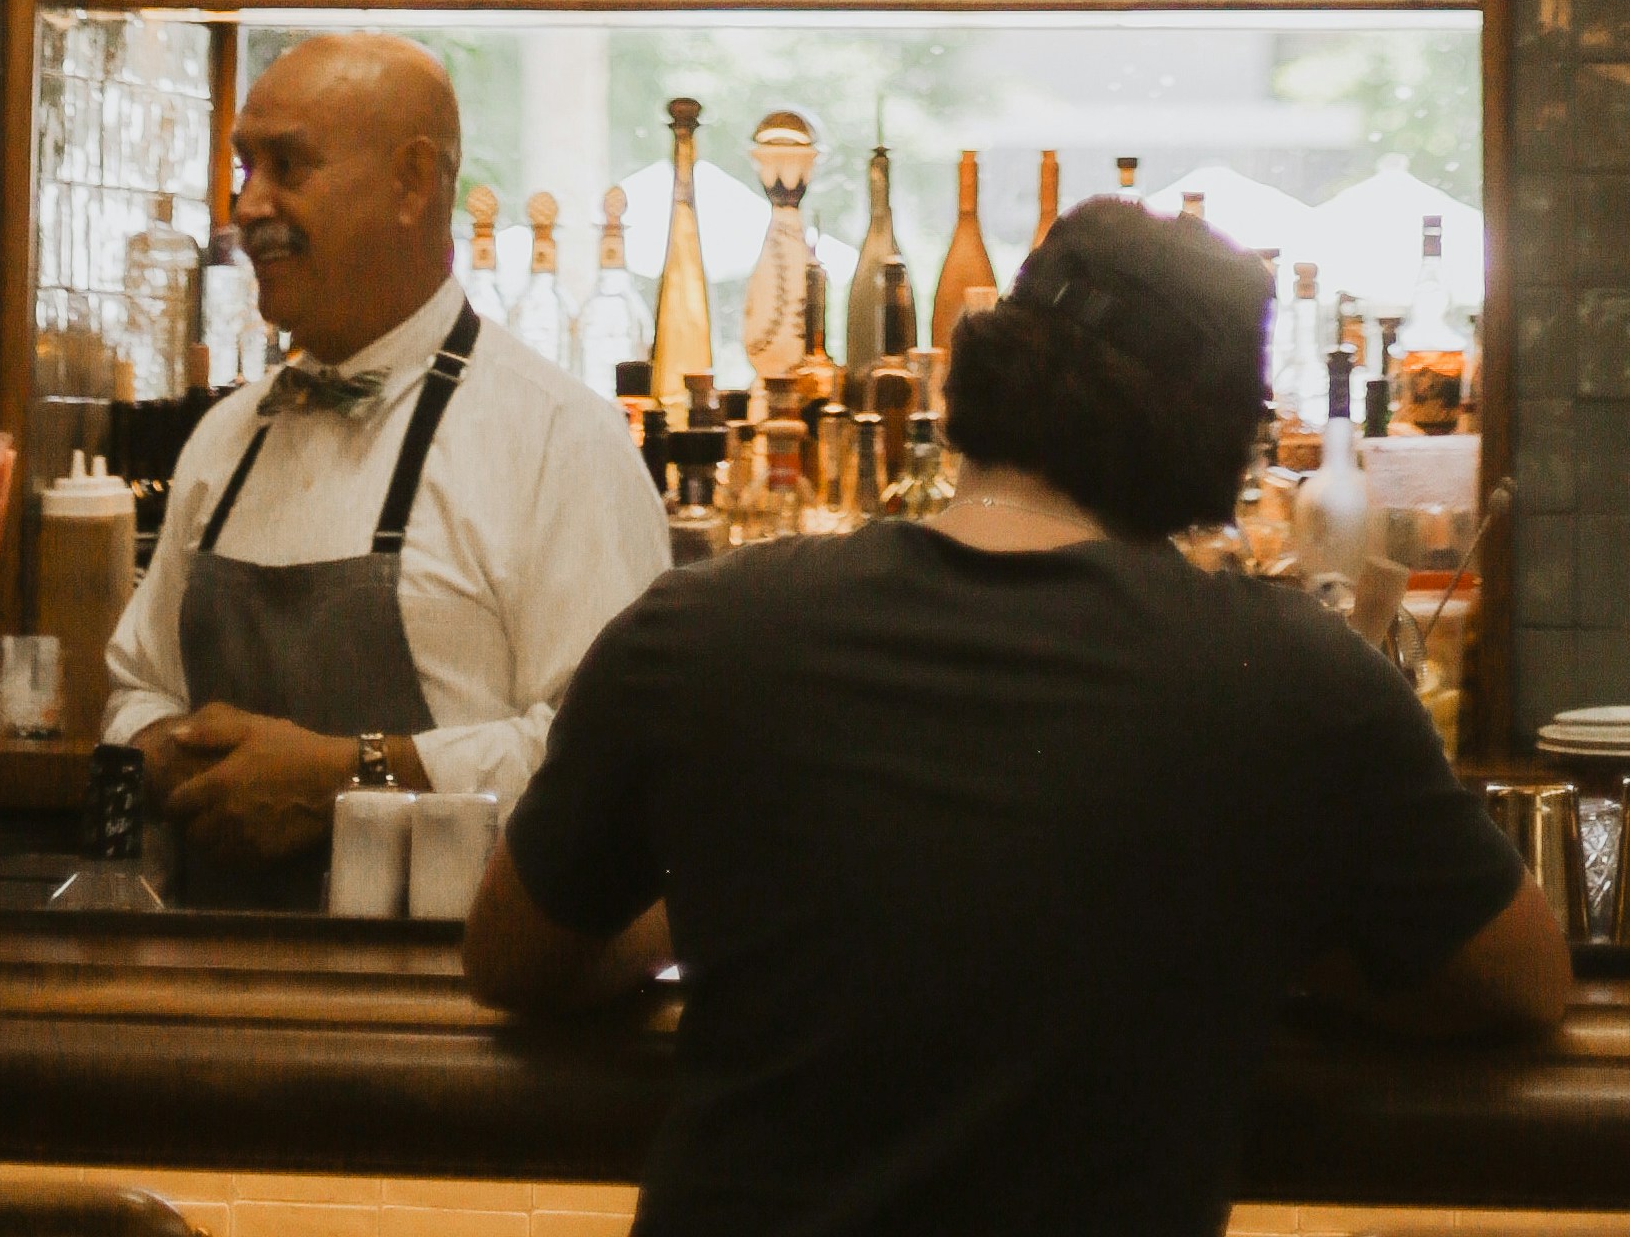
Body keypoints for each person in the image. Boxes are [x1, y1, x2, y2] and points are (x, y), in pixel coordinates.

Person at [471, 196, 1566, 1237]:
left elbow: (512, 963)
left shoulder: (696, 631)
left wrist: (716, 898)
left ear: (977, 379)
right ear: (1218, 442)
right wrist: (1267, 933)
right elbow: (1522, 985)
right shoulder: (1296, 682)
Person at [107, 26, 666, 896]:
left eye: (287, 168)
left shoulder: (559, 441)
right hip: (211, 995)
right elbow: (136, 687)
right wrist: (175, 757)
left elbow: (613, 762)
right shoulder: (224, 440)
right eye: (244, 167)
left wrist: (345, 775)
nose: (249, 207)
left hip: (453, 1007)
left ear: (410, 183)